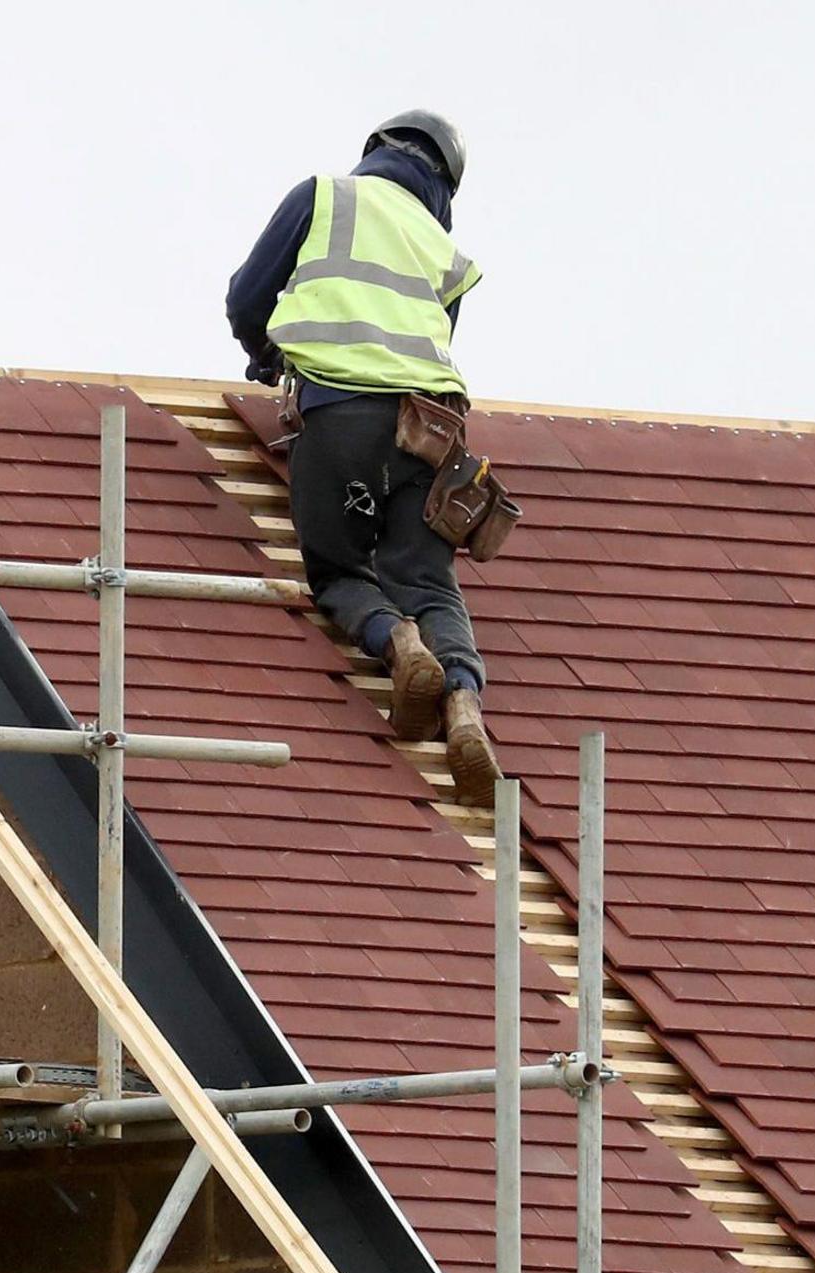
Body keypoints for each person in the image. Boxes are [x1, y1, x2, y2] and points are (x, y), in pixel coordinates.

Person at [227, 110, 500, 804]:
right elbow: (431, 346)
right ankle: (464, 705)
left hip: (344, 413)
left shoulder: (324, 196)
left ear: (376, 152)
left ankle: (399, 644)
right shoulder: (446, 250)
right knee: (426, 573)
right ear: (442, 184)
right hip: (434, 428)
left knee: (341, 567)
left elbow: (246, 298)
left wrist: (269, 358)